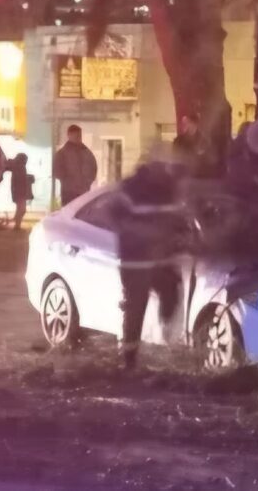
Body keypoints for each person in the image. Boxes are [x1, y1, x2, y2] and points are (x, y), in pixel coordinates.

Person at [110, 162, 191, 371]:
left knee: (169, 290)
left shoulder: (167, 192)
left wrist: (181, 242)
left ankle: (163, 333)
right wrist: (145, 234)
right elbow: (115, 218)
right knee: (136, 307)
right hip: (136, 262)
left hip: (159, 262)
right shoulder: (131, 191)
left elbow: (178, 223)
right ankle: (129, 359)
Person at [53, 124, 97, 206]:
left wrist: (88, 181)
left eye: (79, 135)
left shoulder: (86, 152)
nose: (78, 137)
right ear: (69, 135)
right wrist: (67, 180)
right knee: (69, 215)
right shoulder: (62, 153)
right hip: (69, 192)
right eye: (75, 135)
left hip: (83, 191)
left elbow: (93, 167)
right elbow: (56, 171)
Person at [6, 153, 34, 230]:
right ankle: (17, 225)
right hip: (20, 192)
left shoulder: (20, 167)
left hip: (20, 192)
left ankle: (17, 224)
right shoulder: (19, 167)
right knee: (22, 210)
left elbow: (21, 178)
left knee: (21, 209)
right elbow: (20, 179)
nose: (26, 161)